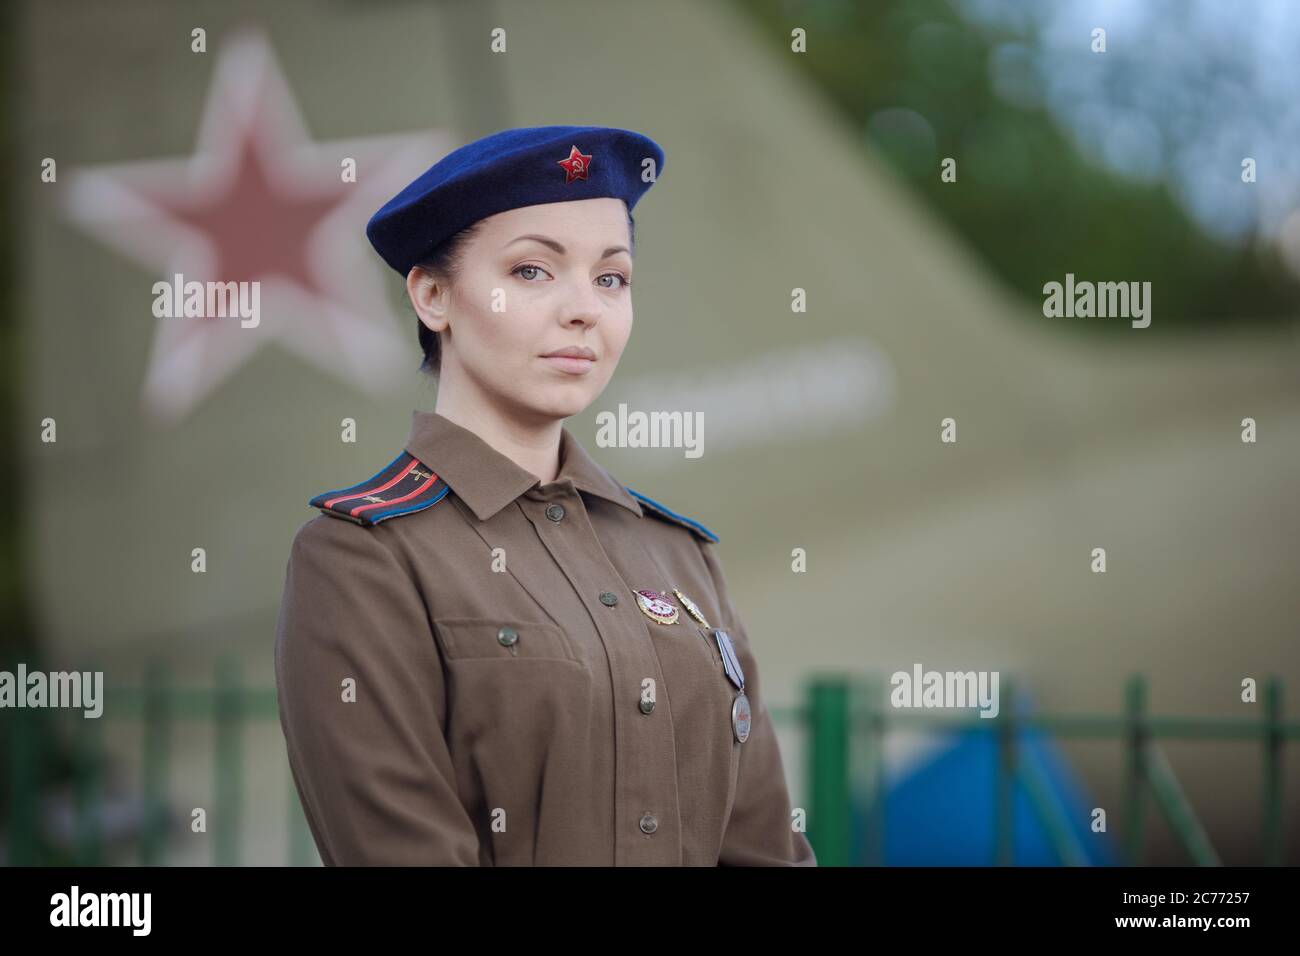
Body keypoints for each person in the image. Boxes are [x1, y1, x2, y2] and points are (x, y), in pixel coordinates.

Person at [274, 125, 816, 866]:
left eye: (611, 278)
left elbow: (764, 847)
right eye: (532, 271)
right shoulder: (363, 559)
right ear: (433, 295)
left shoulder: (678, 557)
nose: (584, 309)